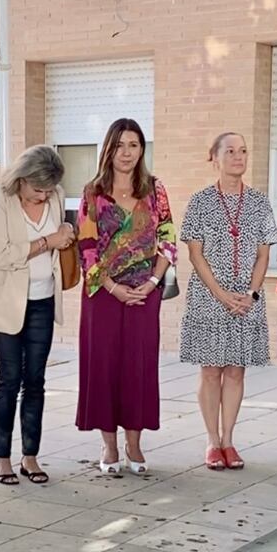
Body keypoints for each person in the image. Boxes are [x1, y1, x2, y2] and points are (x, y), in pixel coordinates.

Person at [75, 118, 176, 474]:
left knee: (138, 367)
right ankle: (109, 447)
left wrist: (151, 283)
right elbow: (85, 247)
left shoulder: (155, 189)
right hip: (103, 294)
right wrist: (114, 287)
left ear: (142, 150)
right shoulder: (92, 193)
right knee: (103, 368)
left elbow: (167, 238)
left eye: (134, 145)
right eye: (120, 145)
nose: (127, 153)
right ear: (108, 149)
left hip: (145, 293)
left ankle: (135, 445)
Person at [0, 146, 75, 485]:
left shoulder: (57, 195)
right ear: (21, 179)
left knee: (36, 381)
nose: (44, 196)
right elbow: (2, 254)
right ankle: (1, 457)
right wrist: (49, 241)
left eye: (48, 191)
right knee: (9, 380)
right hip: (7, 301)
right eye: (37, 190)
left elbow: (63, 237)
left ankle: (30, 456)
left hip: (43, 300)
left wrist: (65, 238)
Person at [180, 133, 277, 470]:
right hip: (210, 297)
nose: (238, 157)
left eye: (243, 151)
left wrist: (250, 294)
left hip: (246, 298)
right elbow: (195, 254)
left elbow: (264, 255)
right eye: (230, 151)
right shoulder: (200, 201)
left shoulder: (260, 202)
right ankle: (211, 441)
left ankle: (229, 441)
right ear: (214, 157)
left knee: (236, 372)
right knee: (211, 372)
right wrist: (221, 295)